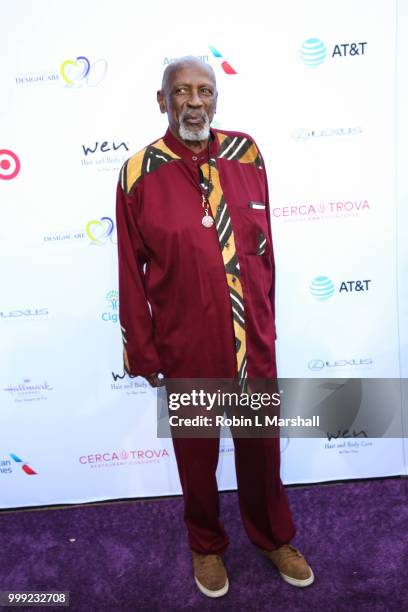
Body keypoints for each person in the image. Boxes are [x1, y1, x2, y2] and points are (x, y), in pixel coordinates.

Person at [116, 56, 314, 598]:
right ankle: (206, 545)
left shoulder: (247, 152)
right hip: (187, 344)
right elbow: (130, 273)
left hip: (252, 339)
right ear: (162, 101)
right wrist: (145, 350)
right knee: (197, 454)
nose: (195, 102)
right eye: (182, 92)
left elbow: (265, 246)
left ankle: (274, 536)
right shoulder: (139, 173)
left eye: (205, 90)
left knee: (260, 446)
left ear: (217, 99)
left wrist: (267, 320)